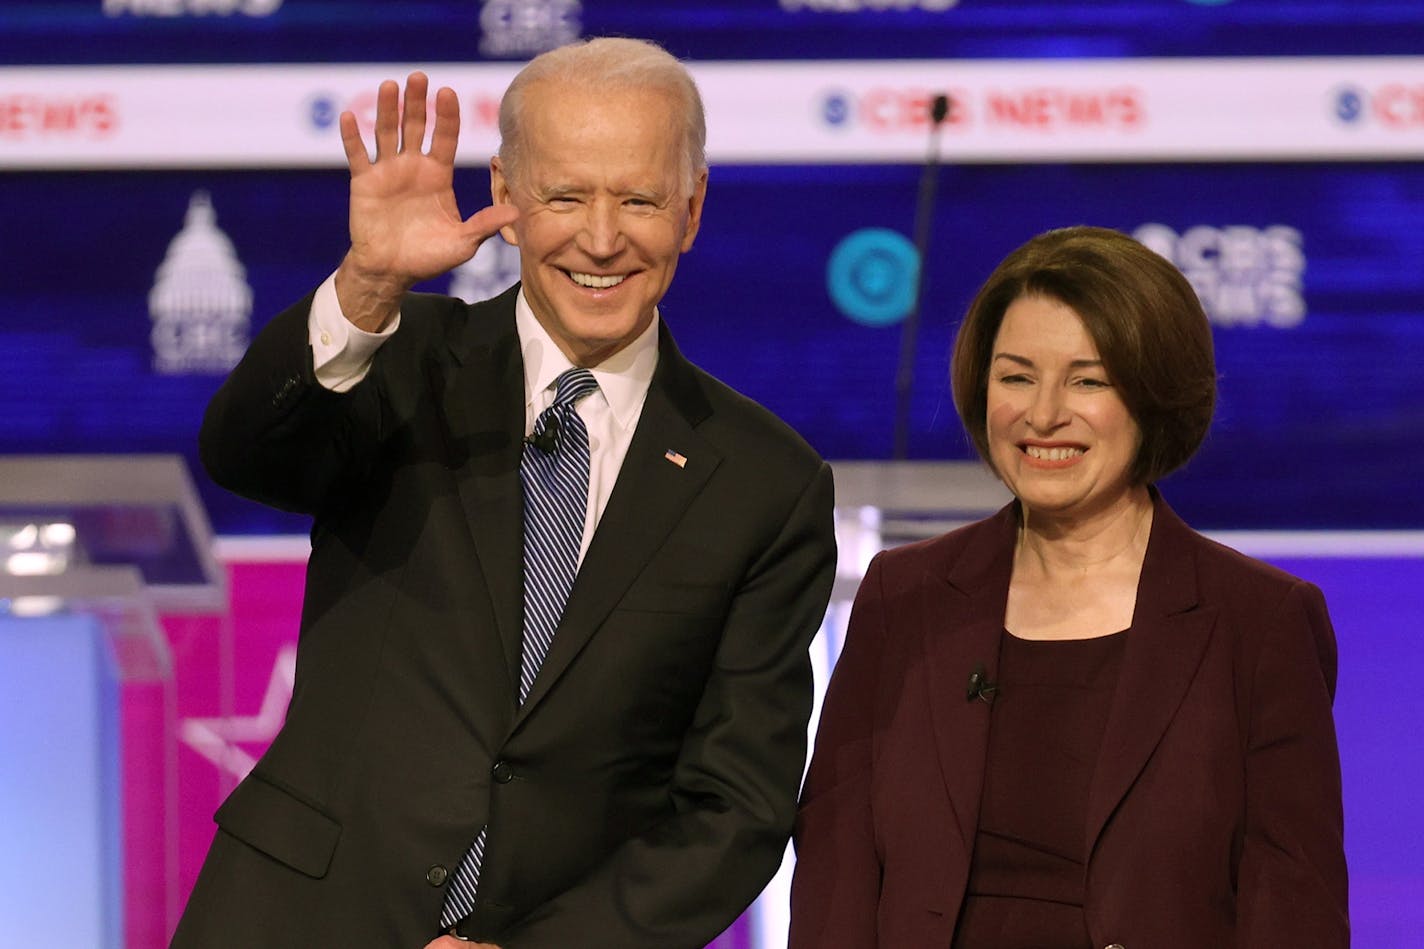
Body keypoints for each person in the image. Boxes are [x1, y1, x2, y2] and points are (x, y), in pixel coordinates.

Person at [173, 37, 837, 949]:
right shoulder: (401, 357)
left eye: (638, 199)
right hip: (296, 917)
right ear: (508, 197)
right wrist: (369, 285)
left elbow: (737, 806)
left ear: (691, 208)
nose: (601, 239)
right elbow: (244, 453)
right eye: (564, 195)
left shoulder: (766, 481)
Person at [788, 226, 1347, 948]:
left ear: (1154, 394)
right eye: (1017, 376)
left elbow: (1293, 911)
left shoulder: (1259, 622)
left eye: (1088, 380)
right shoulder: (907, 595)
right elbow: (837, 867)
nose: (1043, 413)